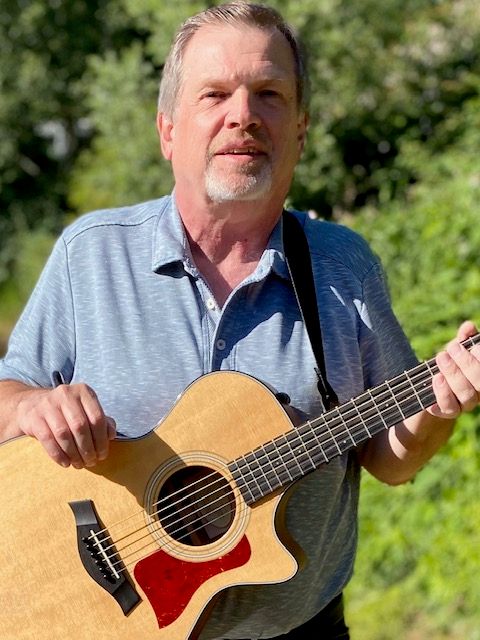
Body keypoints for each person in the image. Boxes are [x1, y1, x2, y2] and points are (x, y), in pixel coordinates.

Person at [0, 2, 479, 639]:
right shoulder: (90, 255)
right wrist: (32, 406)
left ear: (300, 132)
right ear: (168, 130)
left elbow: (390, 459)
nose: (243, 115)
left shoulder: (344, 268)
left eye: (269, 94)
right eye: (215, 94)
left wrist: (439, 408)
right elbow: (6, 402)